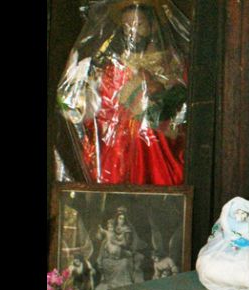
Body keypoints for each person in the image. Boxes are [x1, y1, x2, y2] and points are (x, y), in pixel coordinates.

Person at [57, 0, 188, 185]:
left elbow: (182, 112)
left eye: (139, 25)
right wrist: (75, 93)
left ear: (152, 26)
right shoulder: (115, 68)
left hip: (159, 156)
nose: (133, 33)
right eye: (127, 27)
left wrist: (157, 97)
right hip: (121, 157)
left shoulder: (173, 64)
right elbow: (96, 110)